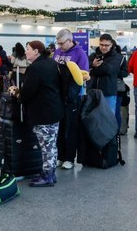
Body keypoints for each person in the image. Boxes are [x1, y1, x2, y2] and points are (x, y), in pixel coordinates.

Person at [14, 40, 63, 187]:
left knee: (46, 146)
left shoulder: (35, 68)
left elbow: (28, 92)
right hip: (54, 109)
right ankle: (50, 173)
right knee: (51, 144)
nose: (25, 51)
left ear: (36, 51)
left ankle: (47, 176)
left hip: (43, 113)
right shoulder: (51, 63)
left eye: (28, 49)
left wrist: (18, 95)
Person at [52, 28, 89, 170]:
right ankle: (60, 156)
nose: (60, 46)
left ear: (69, 40)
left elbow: (84, 76)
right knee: (60, 127)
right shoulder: (57, 52)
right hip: (58, 95)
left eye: (61, 43)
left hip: (73, 97)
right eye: (58, 43)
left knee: (71, 127)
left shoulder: (80, 54)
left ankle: (69, 157)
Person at [88, 34, 125, 113]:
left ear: (111, 45)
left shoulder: (117, 57)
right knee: (93, 118)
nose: (103, 47)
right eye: (101, 45)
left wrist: (93, 70)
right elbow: (85, 66)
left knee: (108, 118)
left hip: (108, 92)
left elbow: (108, 69)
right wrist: (92, 65)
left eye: (106, 45)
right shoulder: (93, 55)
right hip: (93, 91)